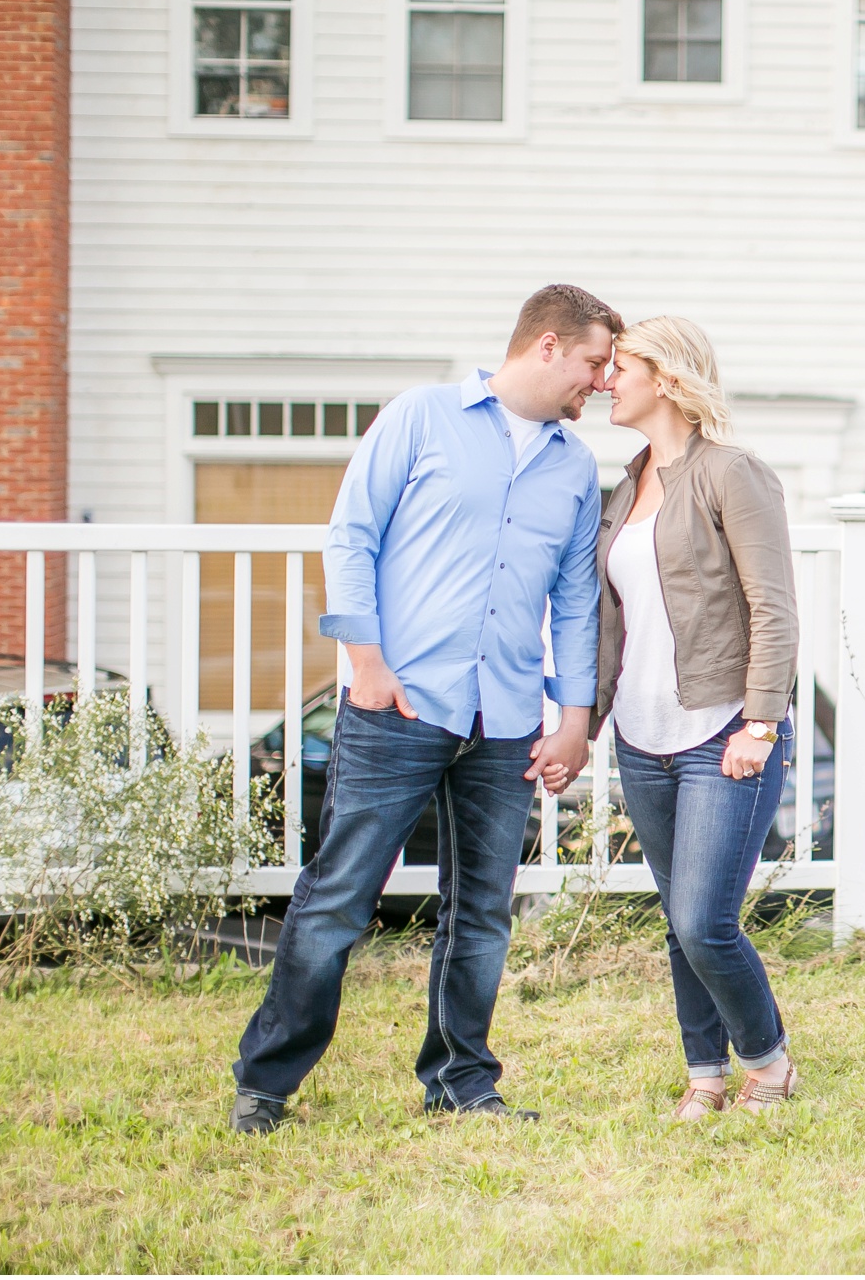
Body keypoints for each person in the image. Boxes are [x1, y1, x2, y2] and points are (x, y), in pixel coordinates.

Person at [230, 285, 620, 1133]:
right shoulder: (422, 416)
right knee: (338, 895)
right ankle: (265, 1084)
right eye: (594, 364)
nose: (603, 383)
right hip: (397, 701)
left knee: (480, 910)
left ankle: (462, 1082)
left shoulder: (573, 468)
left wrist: (575, 716)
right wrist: (364, 663)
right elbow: (351, 534)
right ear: (547, 347)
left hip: (508, 717)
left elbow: (576, 598)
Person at [595, 315, 800, 1119]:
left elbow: (773, 607)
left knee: (702, 918)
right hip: (642, 739)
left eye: (624, 366)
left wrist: (760, 723)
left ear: (668, 378)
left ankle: (771, 1062)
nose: (609, 379)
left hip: (721, 731)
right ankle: (706, 1075)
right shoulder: (627, 484)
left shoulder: (732, 472)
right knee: (679, 922)